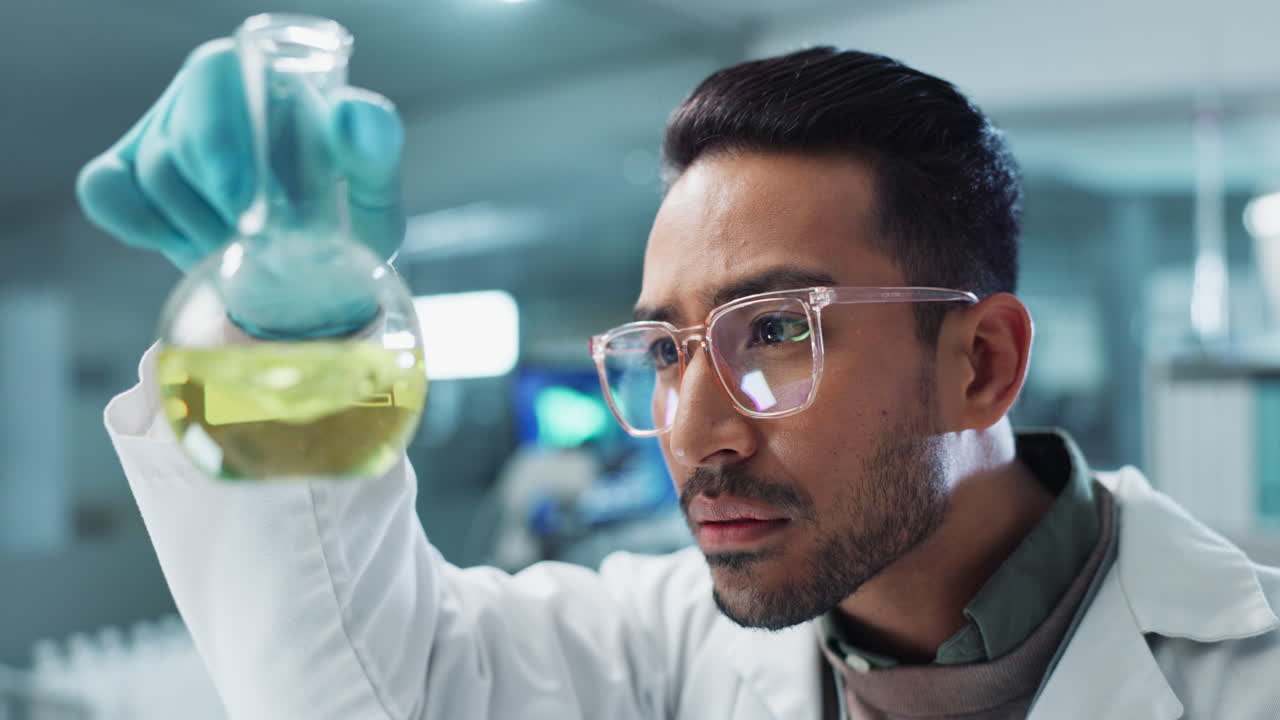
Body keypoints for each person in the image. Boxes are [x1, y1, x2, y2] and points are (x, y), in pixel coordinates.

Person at [78, 36, 1280, 720]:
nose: (691, 426)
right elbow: (362, 687)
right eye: (662, 349)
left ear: (980, 365)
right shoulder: (664, 652)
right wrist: (291, 334)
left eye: (774, 331)